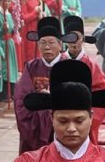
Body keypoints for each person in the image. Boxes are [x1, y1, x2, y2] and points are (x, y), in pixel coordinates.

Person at [14, 17, 76, 154]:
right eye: (43, 43)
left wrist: (54, 100)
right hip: (36, 125)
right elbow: (21, 98)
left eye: (51, 43)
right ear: (38, 45)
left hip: (63, 121)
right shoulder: (31, 67)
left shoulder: (71, 67)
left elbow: (77, 95)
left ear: (60, 45)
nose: (47, 47)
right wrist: (41, 103)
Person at [63, 15, 105, 143]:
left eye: (77, 38)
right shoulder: (59, 63)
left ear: (83, 39)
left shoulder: (90, 65)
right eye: (70, 38)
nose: (74, 42)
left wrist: (91, 118)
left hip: (84, 116)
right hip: (62, 118)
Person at [0, 0, 19, 103]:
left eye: (8, 1)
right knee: (4, 69)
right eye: (4, 1)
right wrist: (3, 30)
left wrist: (17, 27)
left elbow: (12, 31)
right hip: (1, 43)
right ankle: (3, 94)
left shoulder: (10, 15)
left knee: (11, 68)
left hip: (10, 43)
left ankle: (11, 92)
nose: (6, 3)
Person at [19, 0, 44, 66]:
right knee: (29, 50)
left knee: (37, 50)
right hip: (28, 28)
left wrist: (41, 15)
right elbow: (24, 18)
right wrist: (35, 12)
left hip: (36, 27)